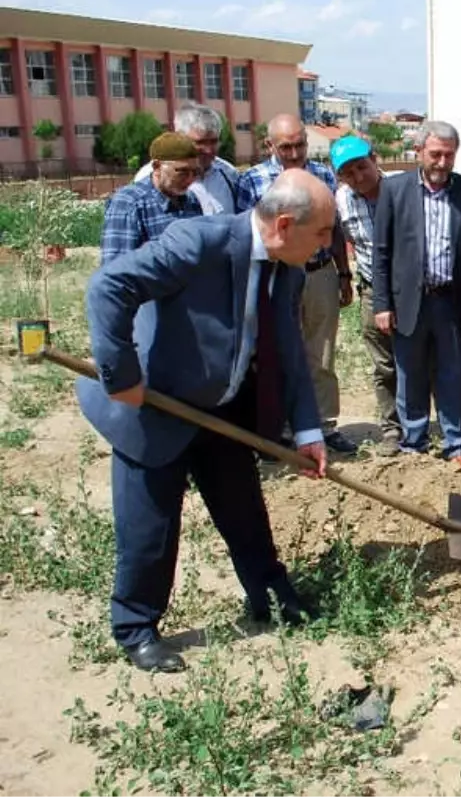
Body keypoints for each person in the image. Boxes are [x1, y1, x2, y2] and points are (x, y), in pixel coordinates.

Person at [77, 169, 333, 673]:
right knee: (149, 529)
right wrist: (121, 374)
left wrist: (306, 430)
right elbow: (109, 286)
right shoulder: (199, 242)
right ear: (284, 224)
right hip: (151, 407)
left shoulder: (290, 270)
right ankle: (136, 627)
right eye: (322, 232)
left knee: (245, 513)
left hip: (220, 410)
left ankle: (271, 597)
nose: (329, 243)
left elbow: (289, 351)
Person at [372, 121, 461, 474]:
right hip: (410, 301)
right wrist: (382, 304)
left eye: (448, 155)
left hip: (452, 301)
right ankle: (415, 443)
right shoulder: (393, 190)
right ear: (419, 152)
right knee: (411, 375)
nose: (441, 162)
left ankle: (457, 445)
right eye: (435, 154)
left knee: (454, 375)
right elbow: (382, 252)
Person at [237, 113, 357, 454]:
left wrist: (343, 273)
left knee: (320, 351)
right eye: (286, 147)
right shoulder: (253, 181)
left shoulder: (321, 175)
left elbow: (332, 231)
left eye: (300, 144)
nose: (294, 153)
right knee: (275, 352)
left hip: (318, 273)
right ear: (269, 145)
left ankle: (323, 424)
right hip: (276, 277)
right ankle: (282, 428)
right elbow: (249, 235)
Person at [331, 135, 402, 456]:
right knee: (383, 364)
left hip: (409, 289)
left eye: (362, 167)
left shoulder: (402, 190)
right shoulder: (341, 200)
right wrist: (345, 276)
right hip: (373, 289)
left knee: (417, 360)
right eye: (349, 172)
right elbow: (340, 240)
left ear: (375, 160)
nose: (358, 177)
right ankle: (392, 429)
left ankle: (421, 424)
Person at [101, 132, 204, 265]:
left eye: (195, 172)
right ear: (157, 167)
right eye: (182, 172)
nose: (190, 179)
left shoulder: (191, 200)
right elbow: (116, 270)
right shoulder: (129, 203)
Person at [133, 103, 239, 215]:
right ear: (179, 136)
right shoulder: (153, 176)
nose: (208, 150)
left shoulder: (229, 174)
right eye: (200, 142)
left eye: (213, 142)